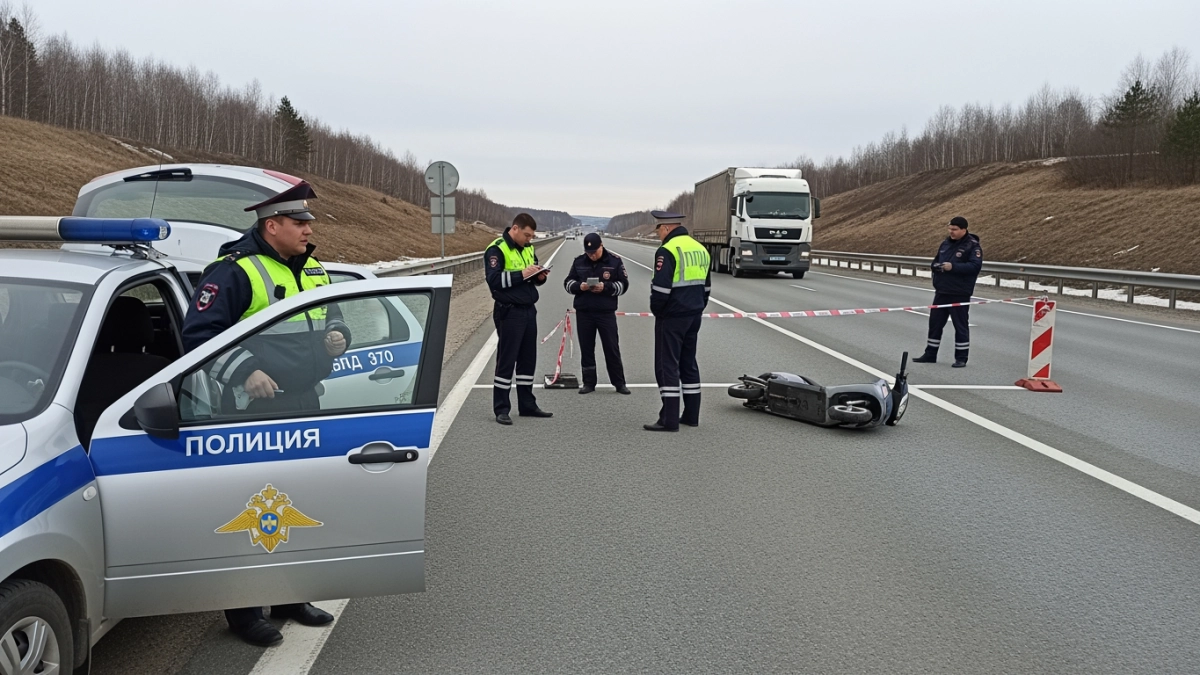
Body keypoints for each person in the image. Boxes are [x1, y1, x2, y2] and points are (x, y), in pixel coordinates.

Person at [181, 180, 349, 647]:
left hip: (304, 401)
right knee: (255, 506)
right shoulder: (234, 271)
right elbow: (199, 336)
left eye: (308, 222)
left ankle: (290, 597)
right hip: (255, 408)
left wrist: (339, 336)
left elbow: (333, 314)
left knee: (297, 503)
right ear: (272, 226)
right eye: (299, 222)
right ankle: (245, 610)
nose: (308, 230)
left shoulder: (313, 267)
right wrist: (245, 371)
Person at [645, 211, 711, 432]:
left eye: (659, 230)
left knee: (667, 366)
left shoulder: (667, 250)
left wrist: (658, 311)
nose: (658, 235)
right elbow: (707, 286)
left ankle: (669, 419)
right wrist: (698, 306)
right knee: (688, 364)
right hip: (694, 314)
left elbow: (661, 288)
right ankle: (691, 415)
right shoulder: (700, 248)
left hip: (672, 316)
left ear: (666, 228)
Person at [485, 212, 553, 425]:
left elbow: (532, 280)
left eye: (531, 236)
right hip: (508, 311)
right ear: (515, 229)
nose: (529, 239)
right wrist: (522, 274)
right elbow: (494, 280)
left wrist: (539, 277)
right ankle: (501, 408)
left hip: (528, 309)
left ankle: (527, 404)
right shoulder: (497, 249)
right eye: (527, 235)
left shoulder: (528, 248)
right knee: (507, 360)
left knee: (527, 358)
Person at [563, 233, 631, 395]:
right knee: (586, 348)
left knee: (611, 348)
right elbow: (568, 283)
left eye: (594, 252)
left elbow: (624, 285)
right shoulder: (579, 261)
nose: (592, 255)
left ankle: (619, 383)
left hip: (605, 312)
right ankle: (588, 383)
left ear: (601, 245)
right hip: (584, 312)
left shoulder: (614, 261)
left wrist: (605, 287)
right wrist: (580, 287)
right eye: (589, 253)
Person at [912, 216, 983, 368]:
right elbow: (936, 261)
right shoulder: (945, 243)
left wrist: (953, 267)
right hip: (942, 291)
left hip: (959, 292)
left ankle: (961, 358)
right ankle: (930, 354)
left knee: (960, 326)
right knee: (935, 324)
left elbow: (975, 267)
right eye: (950, 229)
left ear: (964, 229)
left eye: (955, 229)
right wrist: (936, 267)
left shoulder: (972, 246)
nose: (951, 232)